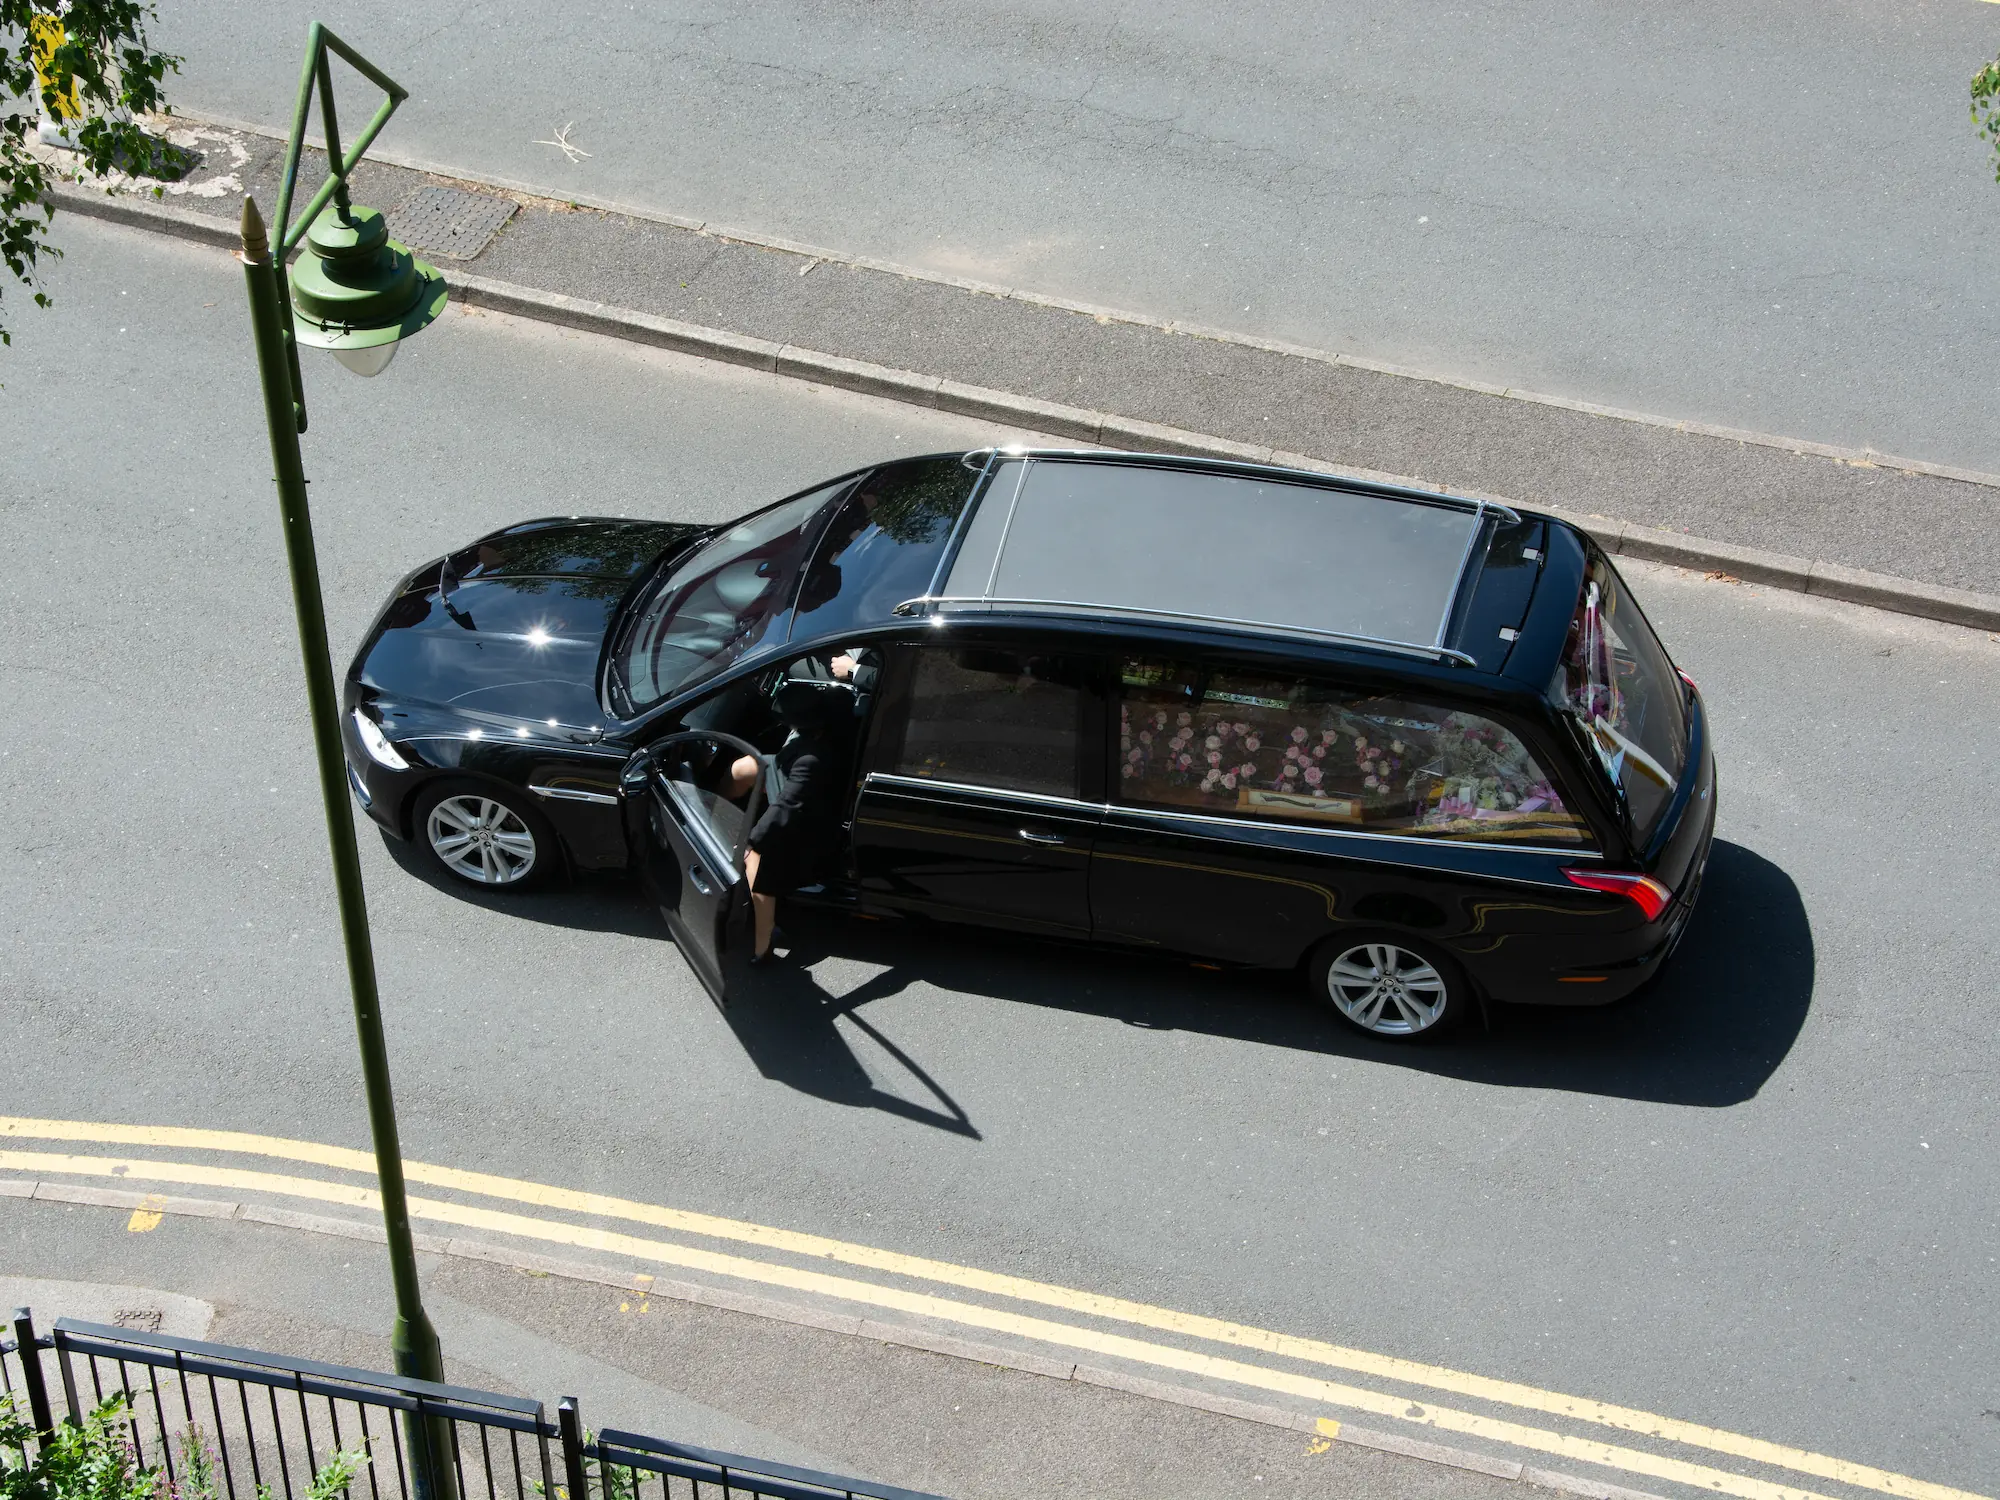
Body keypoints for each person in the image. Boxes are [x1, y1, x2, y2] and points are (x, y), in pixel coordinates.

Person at [725, 680, 852, 962]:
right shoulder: (835, 714)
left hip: (812, 816)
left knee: (759, 869)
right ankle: (722, 805)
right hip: (793, 773)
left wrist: (751, 840)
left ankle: (763, 946)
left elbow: (786, 807)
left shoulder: (812, 761)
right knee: (743, 767)